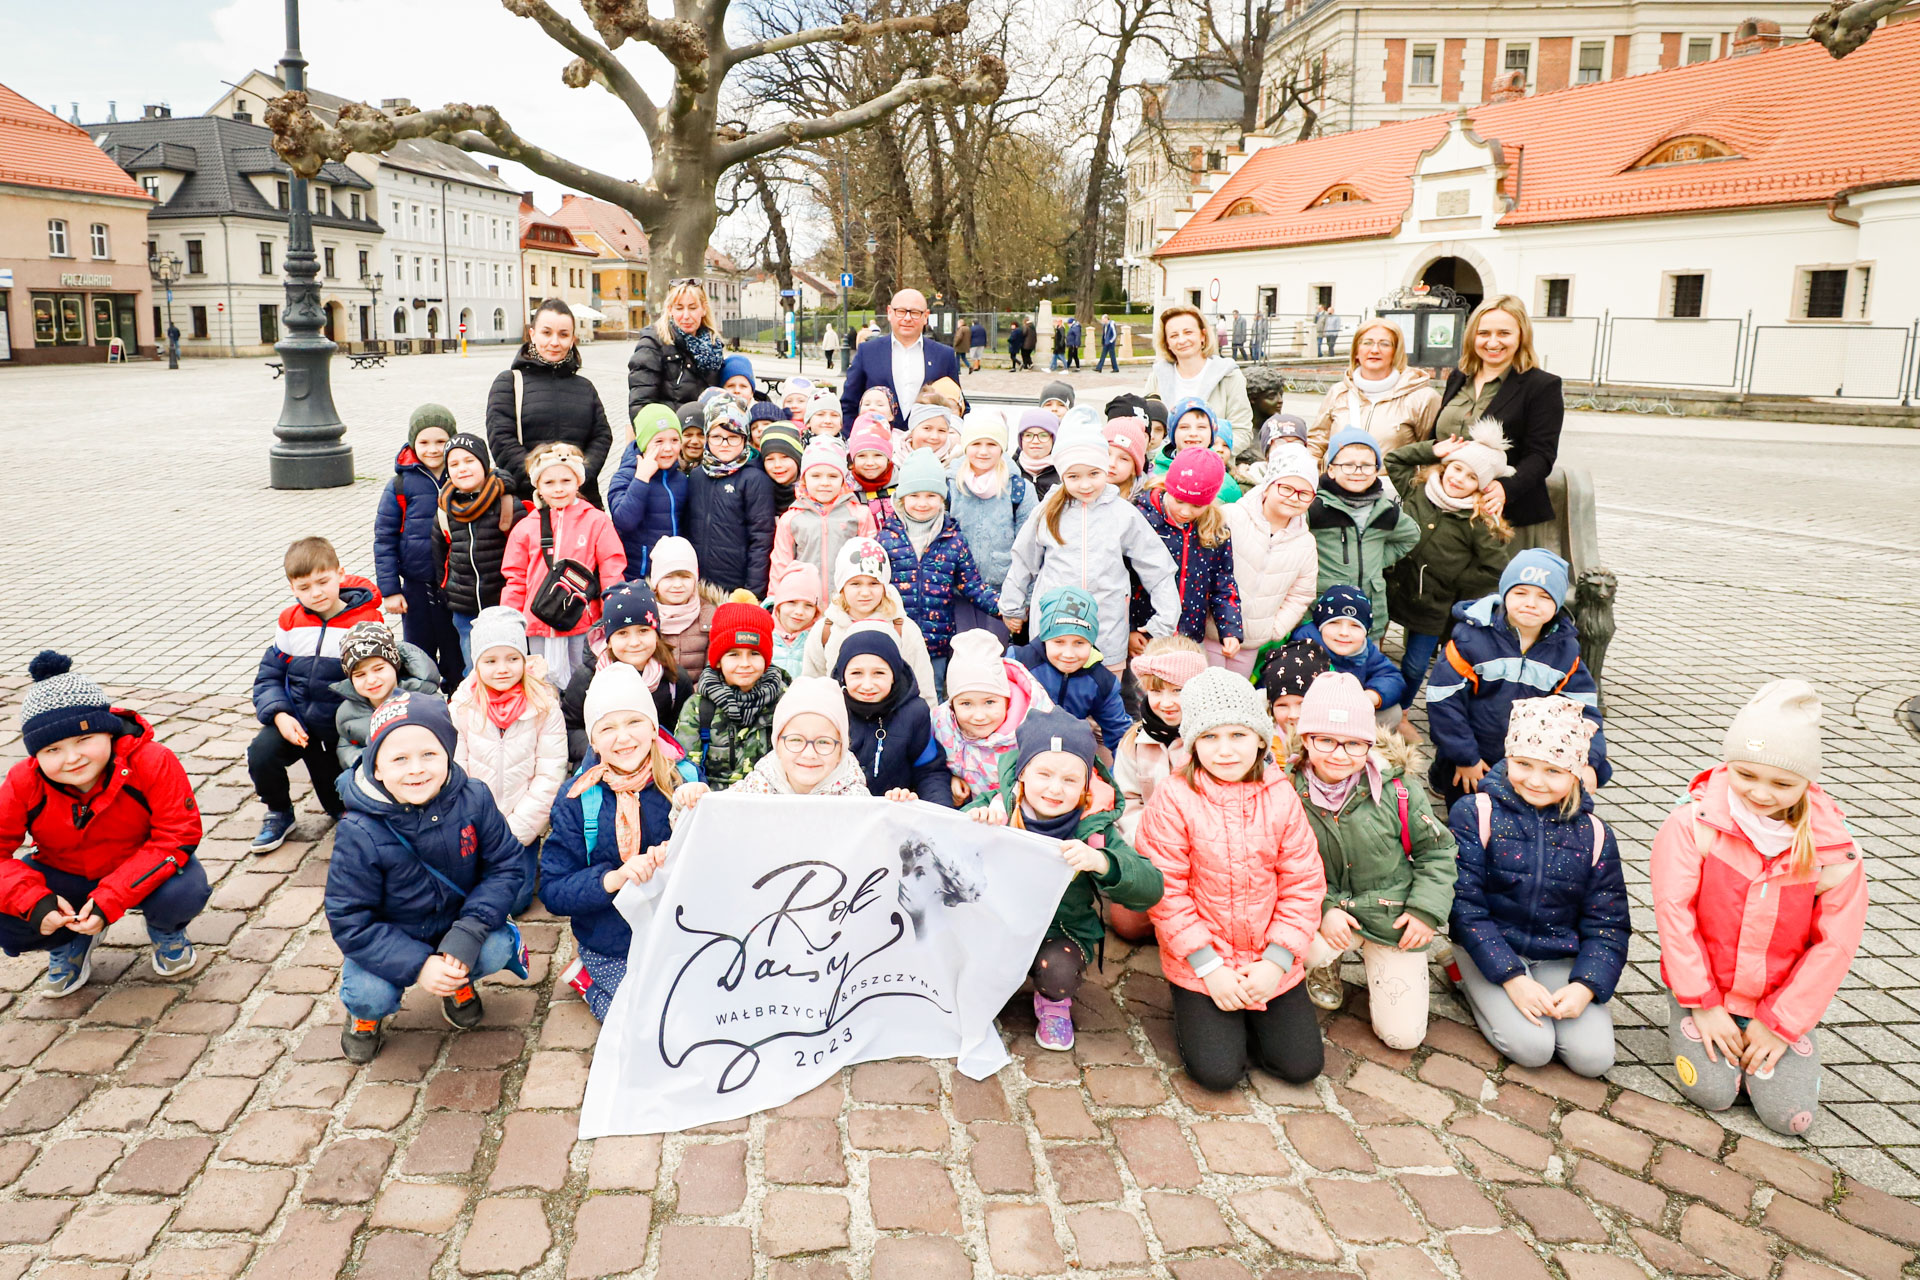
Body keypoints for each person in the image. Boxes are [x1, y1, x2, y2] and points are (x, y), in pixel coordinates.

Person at [1652, 681, 1866, 1136]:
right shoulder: (1693, 824)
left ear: (1809, 781)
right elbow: (1675, 917)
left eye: (1783, 783)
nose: (1762, 793)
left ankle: (1772, 1040)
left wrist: (1781, 1024)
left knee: (1789, 1120)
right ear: (1728, 764)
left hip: (1777, 1001)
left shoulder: (1835, 852)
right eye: (1746, 775)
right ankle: (1692, 1021)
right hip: (1705, 992)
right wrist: (1702, 1004)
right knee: (1714, 1094)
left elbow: (1835, 947)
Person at [1139, 668, 1326, 1089]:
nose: (1225, 751)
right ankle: (1203, 1011)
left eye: (1238, 735)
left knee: (1301, 1066)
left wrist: (1275, 963)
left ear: (1261, 738)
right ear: (1192, 743)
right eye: (1209, 737)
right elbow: (1166, 891)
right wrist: (1210, 969)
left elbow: (1303, 883)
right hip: (1204, 958)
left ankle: (1253, 1013)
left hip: (1268, 953)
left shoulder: (1281, 795)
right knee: (1218, 1073)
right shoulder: (1173, 797)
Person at [327, 693, 528, 1062]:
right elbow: (350, 919)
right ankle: (364, 1016)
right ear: (378, 767)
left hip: (457, 923)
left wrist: (467, 934)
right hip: (394, 936)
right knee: (370, 993)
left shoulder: (475, 798)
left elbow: (507, 865)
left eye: (429, 755)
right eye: (399, 759)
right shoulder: (359, 830)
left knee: (497, 946)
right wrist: (418, 965)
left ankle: (457, 981)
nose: (416, 769)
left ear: (448, 755)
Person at [1, 652, 209, 993]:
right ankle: (67, 941)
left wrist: (111, 897)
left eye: (84, 739)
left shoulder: (153, 760)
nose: (72, 758)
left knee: (183, 891)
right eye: (52, 749)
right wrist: (34, 902)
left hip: (142, 864)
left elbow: (176, 834)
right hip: (64, 870)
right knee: (8, 913)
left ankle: (166, 929)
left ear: (108, 733)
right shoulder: (23, 781)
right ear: (35, 755)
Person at [1448, 695, 1629, 1078]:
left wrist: (1587, 985)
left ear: (1576, 772)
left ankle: (1537, 992)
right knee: (1533, 1048)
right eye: (1523, 764)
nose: (1534, 780)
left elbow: (1608, 923)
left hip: (1558, 955)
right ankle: (1462, 976)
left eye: (1553, 770)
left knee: (1593, 1059)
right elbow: (1465, 907)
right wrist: (1512, 978)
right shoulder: (1475, 812)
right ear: (1507, 757)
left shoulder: (1595, 833)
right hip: (1491, 948)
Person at [967, 708, 1164, 1050]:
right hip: (997, 922)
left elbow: (1151, 888)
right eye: (1044, 774)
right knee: (975, 963)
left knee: (1057, 970)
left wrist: (1102, 862)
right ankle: (982, 990)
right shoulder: (996, 806)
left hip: (1061, 931)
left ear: (1087, 784)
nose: (1055, 789)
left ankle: (1054, 1004)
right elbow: (939, 847)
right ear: (1024, 772)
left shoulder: (1094, 828)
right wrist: (973, 827)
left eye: (1071, 779)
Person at [1292, 673, 1455, 1045]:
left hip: (1389, 914)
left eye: (1353, 744)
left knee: (1403, 1036)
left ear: (1369, 743)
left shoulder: (1399, 790)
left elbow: (1438, 850)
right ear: (1305, 739)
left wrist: (1425, 911)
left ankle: (1381, 959)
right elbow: (1280, 864)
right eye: (1326, 740)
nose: (1339, 753)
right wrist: (1324, 907)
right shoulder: (1286, 789)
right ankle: (1326, 961)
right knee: (1285, 956)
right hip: (1323, 911)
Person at [542, 664, 682, 1019]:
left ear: (653, 727)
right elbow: (554, 890)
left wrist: (690, 829)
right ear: (592, 740)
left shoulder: (683, 778)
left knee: (692, 1012)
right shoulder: (577, 799)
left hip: (672, 935)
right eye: (608, 728)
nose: (623, 738)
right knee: (639, 1020)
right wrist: (615, 878)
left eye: (634, 722)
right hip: (611, 941)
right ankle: (589, 981)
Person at [1426, 549, 1608, 808]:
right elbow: (1443, 701)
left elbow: (1583, 712)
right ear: (1504, 595)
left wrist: (1590, 761)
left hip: (1531, 761)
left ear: (1558, 603)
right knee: (1468, 816)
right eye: (1520, 593)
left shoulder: (1565, 651)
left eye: (1544, 597)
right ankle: (1443, 773)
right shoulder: (1470, 640)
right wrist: (1464, 757)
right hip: (1475, 752)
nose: (1531, 603)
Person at [1001, 421, 1179, 677]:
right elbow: (1023, 560)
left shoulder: (1123, 513)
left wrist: (1164, 620)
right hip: (1054, 636)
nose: (1085, 485)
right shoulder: (1048, 510)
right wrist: (1012, 606)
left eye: (1094, 474)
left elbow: (1157, 567)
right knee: (1050, 707)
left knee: (1102, 709)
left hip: (1106, 633)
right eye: (1074, 476)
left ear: (1104, 470)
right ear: (1062, 475)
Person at [249, 537, 385, 853]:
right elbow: (269, 675)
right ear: (293, 588)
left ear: (341, 574)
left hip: (341, 729)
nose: (317, 593)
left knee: (339, 807)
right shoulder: (289, 622)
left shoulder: (365, 621)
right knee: (261, 753)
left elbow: (380, 679)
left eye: (323, 582)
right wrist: (280, 714)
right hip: (298, 722)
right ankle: (279, 811)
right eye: (305, 587)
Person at [1383, 426, 1515, 738]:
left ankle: (1401, 711)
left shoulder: (1477, 520)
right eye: (1456, 468)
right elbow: (1394, 460)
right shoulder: (1417, 488)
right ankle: (1370, 704)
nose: (1459, 480)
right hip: (1390, 589)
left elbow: (1497, 567)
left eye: (1471, 478)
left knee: (1415, 666)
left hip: (1434, 604)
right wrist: (1432, 449)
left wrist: (1455, 579)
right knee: (1370, 647)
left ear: (1481, 487)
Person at [448, 607, 566, 916]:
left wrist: (516, 830)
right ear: (476, 663)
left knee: (514, 902)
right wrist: (476, 824)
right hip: (475, 823)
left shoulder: (543, 705)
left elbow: (550, 773)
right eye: (490, 660)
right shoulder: (463, 705)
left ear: (524, 660)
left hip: (520, 823)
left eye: (512, 658)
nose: (502, 669)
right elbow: (455, 769)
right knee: (463, 896)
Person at [1434, 296, 1564, 549]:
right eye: (1484, 333)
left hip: (1502, 515)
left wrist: (1506, 489)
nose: (1492, 342)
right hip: (1446, 508)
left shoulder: (1542, 386)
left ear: (1521, 336)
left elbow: (1541, 454)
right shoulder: (1460, 377)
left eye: (1504, 333)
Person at [500, 442, 627, 688]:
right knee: (540, 683)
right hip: (536, 622)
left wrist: (611, 611)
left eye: (565, 481)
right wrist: (509, 620)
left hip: (582, 620)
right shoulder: (526, 526)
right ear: (537, 485)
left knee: (583, 679)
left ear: (578, 481)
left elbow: (612, 567)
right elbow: (515, 578)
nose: (558, 489)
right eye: (549, 483)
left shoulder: (596, 521)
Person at [874, 449, 1000, 691]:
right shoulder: (885, 538)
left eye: (931, 495)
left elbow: (972, 585)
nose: (923, 503)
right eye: (915, 495)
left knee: (933, 696)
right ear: (901, 499)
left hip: (937, 644)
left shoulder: (953, 539)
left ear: (942, 499)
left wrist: (1006, 610)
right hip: (894, 640)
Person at [1110, 637, 1205, 943]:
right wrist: (1148, 844)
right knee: (1127, 924)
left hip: (1204, 854)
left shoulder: (1211, 740)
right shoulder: (1133, 741)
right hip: (1153, 852)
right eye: (1156, 690)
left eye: (1178, 690)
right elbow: (1128, 801)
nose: (1166, 702)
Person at [487, 298, 614, 507]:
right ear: (532, 334)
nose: (555, 342)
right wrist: (543, 479)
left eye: (563, 335)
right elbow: (501, 441)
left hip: (581, 501)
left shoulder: (585, 387)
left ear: (572, 339)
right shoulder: (509, 383)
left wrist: (578, 477)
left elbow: (601, 436)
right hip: (529, 504)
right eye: (547, 333)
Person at [375, 403, 462, 691]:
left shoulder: (463, 476)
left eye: (441, 441)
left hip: (458, 585)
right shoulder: (400, 485)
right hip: (415, 588)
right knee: (417, 655)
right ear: (413, 443)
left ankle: (457, 704)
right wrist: (390, 590)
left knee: (456, 652)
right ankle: (421, 706)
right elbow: (384, 539)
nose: (433, 449)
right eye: (424, 442)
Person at [681, 675, 877, 802]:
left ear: (841, 749)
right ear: (777, 744)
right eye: (795, 740)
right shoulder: (755, 790)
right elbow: (706, 826)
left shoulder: (857, 800)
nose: (809, 754)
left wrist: (902, 805)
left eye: (823, 742)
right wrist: (692, 800)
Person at [561, 581, 693, 765]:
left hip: (655, 771)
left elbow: (679, 731)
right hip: (601, 767)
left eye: (643, 631)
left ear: (657, 634)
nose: (634, 642)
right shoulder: (588, 678)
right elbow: (570, 728)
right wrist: (604, 751)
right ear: (608, 639)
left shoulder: (673, 679)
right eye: (622, 633)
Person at [1133, 447, 1243, 666]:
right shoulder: (1141, 518)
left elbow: (1223, 582)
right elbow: (1125, 578)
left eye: (1196, 505)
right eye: (1179, 500)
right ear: (1168, 487)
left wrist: (1230, 629)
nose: (1185, 511)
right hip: (1146, 633)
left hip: (1189, 636)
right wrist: (1128, 628)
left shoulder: (1216, 529)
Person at [1308, 428, 1419, 642]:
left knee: (1363, 667)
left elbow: (1410, 536)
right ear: (1331, 469)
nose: (1358, 471)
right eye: (1348, 465)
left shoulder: (1386, 510)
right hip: (1323, 610)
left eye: (1367, 465)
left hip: (1369, 611)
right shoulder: (1317, 507)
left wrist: (1377, 559)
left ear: (1377, 470)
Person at [801, 537, 939, 703]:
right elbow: (811, 686)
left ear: (884, 586)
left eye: (873, 583)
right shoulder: (825, 630)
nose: (865, 592)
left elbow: (924, 690)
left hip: (894, 723)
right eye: (856, 584)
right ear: (842, 587)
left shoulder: (904, 629)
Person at [932, 629, 1054, 806]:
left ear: (1006, 700)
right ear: (952, 705)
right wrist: (949, 780)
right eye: (966, 704)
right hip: (968, 820)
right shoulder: (941, 724)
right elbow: (930, 768)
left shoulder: (1033, 733)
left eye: (989, 702)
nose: (979, 716)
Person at [675, 601, 789, 789]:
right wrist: (694, 789)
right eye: (733, 655)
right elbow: (686, 767)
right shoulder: (700, 706)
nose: (745, 663)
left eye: (754, 653)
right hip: (715, 802)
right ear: (718, 661)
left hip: (771, 800)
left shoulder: (785, 702)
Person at [1009, 586, 1135, 753]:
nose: (1068, 654)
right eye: (1059, 642)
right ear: (1045, 638)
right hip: (1015, 752)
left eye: (1079, 643)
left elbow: (1121, 736)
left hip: (1070, 757)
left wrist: (1120, 775)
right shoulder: (1018, 662)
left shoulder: (1101, 681)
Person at [1226, 457, 1319, 680]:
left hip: (1250, 642)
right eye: (1286, 488)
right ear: (1267, 487)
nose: (1293, 498)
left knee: (1234, 698)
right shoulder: (1231, 517)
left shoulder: (1305, 542)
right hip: (1210, 631)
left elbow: (1301, 593)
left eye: (1304, 493)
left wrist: (1274, 629)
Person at [437, 433, 525, 668]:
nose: (462, 469)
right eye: (454, 464)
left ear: (484, 464)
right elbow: (439, 556)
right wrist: (447, 589)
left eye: (469, 461)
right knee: (474, 668)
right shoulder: (444, 509)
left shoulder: (507, 503)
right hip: (464, 608)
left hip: (503, 604)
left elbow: (524, 555)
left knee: (509, 666)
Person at [836, 628, 953, 804]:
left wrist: (938, 820)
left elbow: (930, 772)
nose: (867, 685)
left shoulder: (914, 712)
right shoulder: (830, 710)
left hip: (894, 811)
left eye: (879, 673)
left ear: (894, 675)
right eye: (856, 673)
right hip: (841, 812)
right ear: (843, 676)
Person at [947, 411, 1034, 644]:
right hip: (958, 591)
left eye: (991, 444)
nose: (983, 451)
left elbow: (1031, 549)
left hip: (1002, 592)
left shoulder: (1019, 489)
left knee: (997, 656)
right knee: (962, 655)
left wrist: (1023, 600)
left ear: (1002, 448)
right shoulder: (950, 484)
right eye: (976, 443)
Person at [1145, 304, 1257, 471]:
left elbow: (1242, 431)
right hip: (1163, 468)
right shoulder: (1157, 376)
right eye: (1174, 335)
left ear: (1203, 335)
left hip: (1213, 470)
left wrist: (1208, 455)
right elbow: (1147, 426)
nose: (1182, 340)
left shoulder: (1229, 377)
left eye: (1188, 332)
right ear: (1167, 343)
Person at [1309, 321, 1442, 460]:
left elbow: (1431, 452)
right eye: (1367, 343)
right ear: (1356, 351)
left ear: (1396, 352)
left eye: (1384, 344)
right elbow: (1317, 443)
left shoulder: (1423, 398)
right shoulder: (1339, 392)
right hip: (1337, 480)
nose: (1374, 350)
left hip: (1389, 481)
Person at [685, 400, 776, 599]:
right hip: (698, 582)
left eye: (733, 437)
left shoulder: (754, 479)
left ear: (744, 438)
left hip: (735, 585)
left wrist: (753, 590)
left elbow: (761, 539)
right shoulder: (697, 476)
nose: (724, 444)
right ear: (707, 437)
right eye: (717, 437)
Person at [772, 437, 876, 609]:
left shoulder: (859, 515)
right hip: (804, 608)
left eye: (833, 476)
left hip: (848, 606)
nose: (825, 483)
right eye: (816, 476)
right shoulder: (791, 519)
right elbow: (780, 565)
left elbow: (871, 564)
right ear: (804, 479)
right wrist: (775, 603)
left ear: (843, 479)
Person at [840, 290, 961, 432]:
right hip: (877, 446)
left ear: (926, 316)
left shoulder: (943, 355)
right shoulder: (867, 352)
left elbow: (957, 405)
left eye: (915, 312)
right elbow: (849, 404)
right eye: (901, 311)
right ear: (890, 313)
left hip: (928, 447)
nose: (907, 318)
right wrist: (853, 442)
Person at [333, 621, 442, 772]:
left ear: (395, 666)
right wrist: (362, 762)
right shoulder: (347, 711)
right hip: (375, 776)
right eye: (360, 675)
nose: (371, 680)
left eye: (378, 669)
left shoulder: (425, 699)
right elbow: (346, 745)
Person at [1291, 586, 1404, 727]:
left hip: (1349, 710)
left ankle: (1357, 744)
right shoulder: (1302, 648)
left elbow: (1392, 677)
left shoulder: (1364, 648)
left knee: (1393, 713)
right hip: (1309, 717)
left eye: (1355, 626)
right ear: (1320, 625)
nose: (1344, 632)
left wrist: (1368, 697)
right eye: (1334, 623)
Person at [607, 404, 688, 582]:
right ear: (644, 443)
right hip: (637, 574)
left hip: (673, 574)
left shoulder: (681, 480)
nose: (668, 448)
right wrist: (641, 478)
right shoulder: (625, 477)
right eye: (658, 442)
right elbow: (623, 521)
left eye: (674, 440)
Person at [627, 280, 726, 417]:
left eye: (692, 308)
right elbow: (641, 404)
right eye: (679, 308)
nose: (686, 316)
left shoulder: (714, 346)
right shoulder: (653, 344)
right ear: (670, 310)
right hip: (671, 432)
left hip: (706, 433)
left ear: (703, 309)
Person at [648, 537, 718, 678]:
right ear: (656, 581)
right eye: (668, 577)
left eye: (685, 577)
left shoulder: (710, 616)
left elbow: (713, 671)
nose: (678, 584)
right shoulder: (644, 613)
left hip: (698, 695)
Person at [1151, 400, 1244, 501]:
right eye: (1184, 427)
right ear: (1172, 433)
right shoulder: (1153, 472)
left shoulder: (1227, 484)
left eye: (1201, 427)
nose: (1193, 433)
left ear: (1212, 435)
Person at [1259, 640, 1330, 757]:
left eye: (1302, 704)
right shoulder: (1262, 744)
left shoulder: (1336, 740)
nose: (1293, 715)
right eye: (1282, 705)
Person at [768, 564, 823, 679]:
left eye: (808, 605)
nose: (799, 612)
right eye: (791, 602)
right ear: (778, 604)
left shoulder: (819, 639)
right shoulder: (762, 634)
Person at [847, 419, 898, 511]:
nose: (870, 463)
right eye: (862, 456)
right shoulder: (845, 488)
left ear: (888, 458)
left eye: (877, 455)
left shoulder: (902, 483)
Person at [759, 423, 804, 519]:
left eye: (785, 457)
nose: (777, 465)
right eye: (770, 459)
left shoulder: (811, 491)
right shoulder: (758, 491)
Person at [1013, 408, 1061, 498]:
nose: (1035, 441)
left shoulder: (1064, 474)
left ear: (1053, 439)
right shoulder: (1009, 472)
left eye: (1043, 435)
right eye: (1028, 435)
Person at [1104, 416, 1150, 501]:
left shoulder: (1144, 502)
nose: (1112, 463)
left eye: (1123, 459)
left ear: (1134, 468)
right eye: (1107, 454)